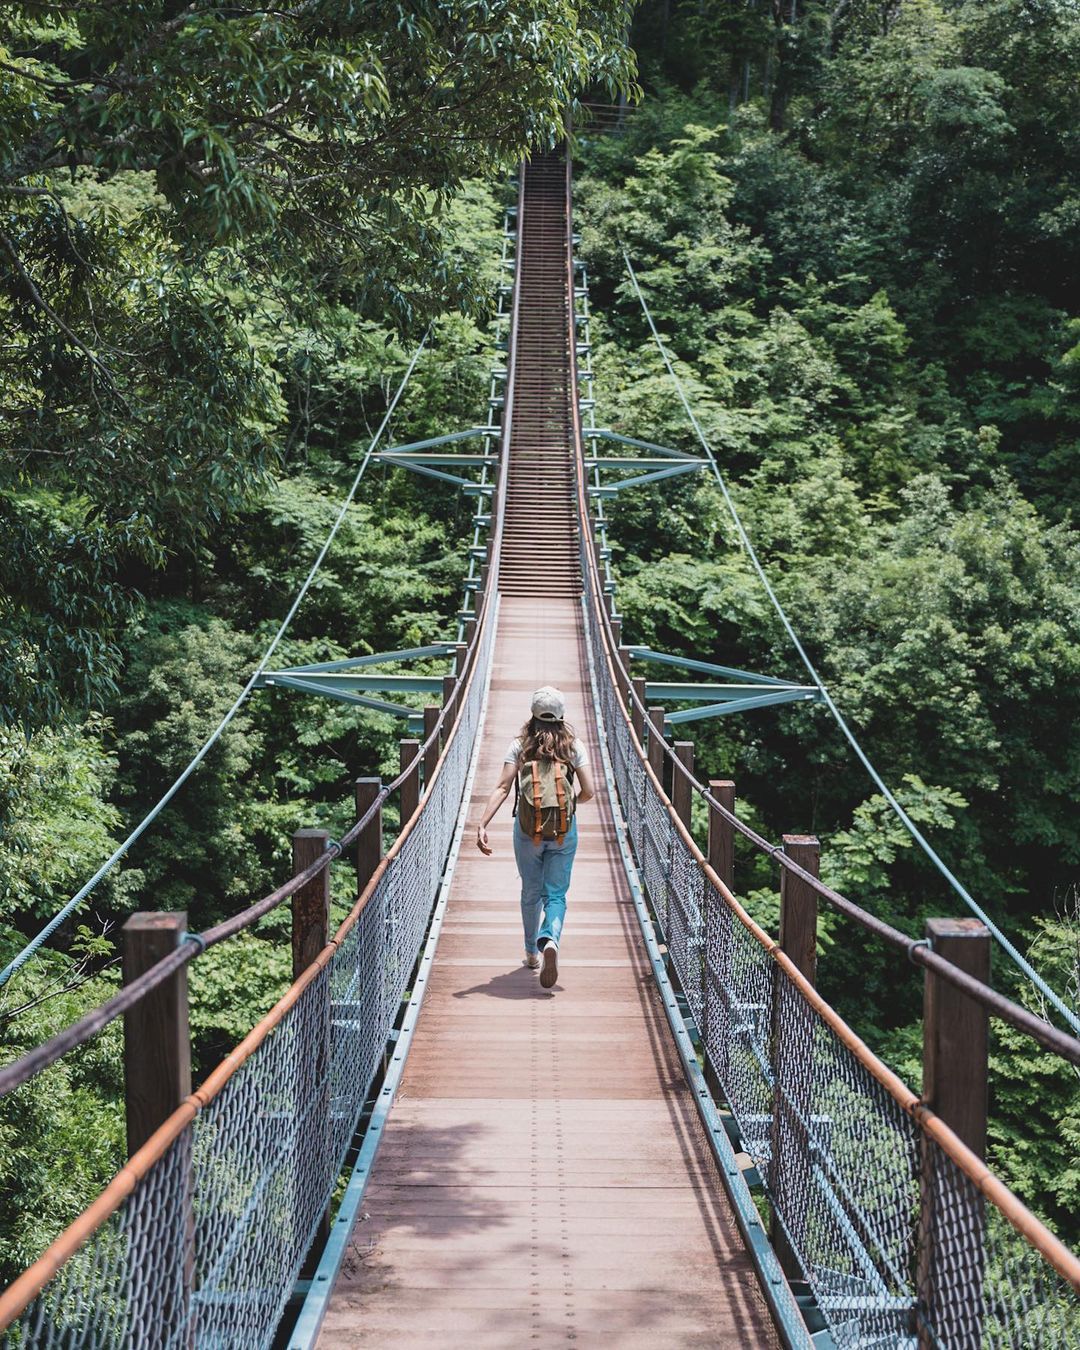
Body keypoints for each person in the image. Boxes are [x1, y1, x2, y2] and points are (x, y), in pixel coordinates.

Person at [476, 686, 595, 989]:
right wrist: (570, 805)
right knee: (555, 894)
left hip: (528, 830)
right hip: (564, 830)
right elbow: (589, 791)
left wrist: (482, 824)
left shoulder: (519, 745)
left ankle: (531, 952)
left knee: (530, 891)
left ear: (532, 713)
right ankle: (550, 939)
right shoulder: (573, 746)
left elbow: (503, 788)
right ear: (561, 715)